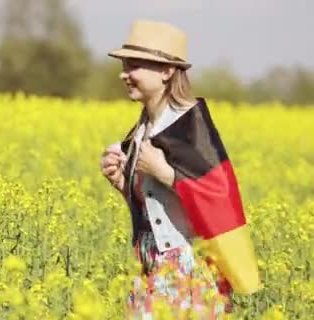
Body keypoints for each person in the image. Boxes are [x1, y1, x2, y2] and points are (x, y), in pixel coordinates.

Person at [99, 20, 261, 319]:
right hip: (150, 264)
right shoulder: (142, 127)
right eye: (124, 65)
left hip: (187, 267)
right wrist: (123, 182)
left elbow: (219, 198)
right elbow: (154, 208)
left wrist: (163, 172)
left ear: (166, 71)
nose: (124, 74)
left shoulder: (190, 126)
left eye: (134, 65)